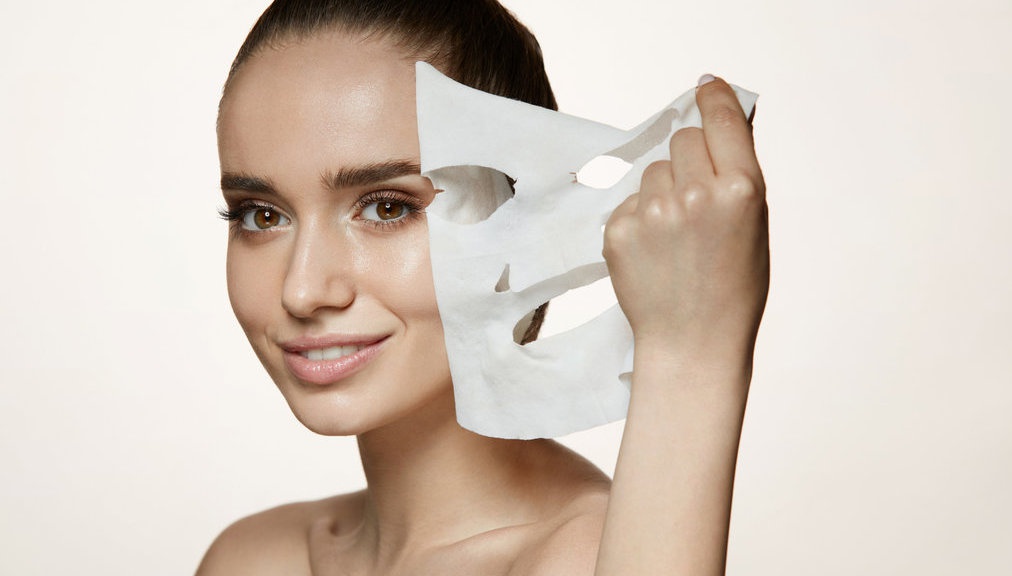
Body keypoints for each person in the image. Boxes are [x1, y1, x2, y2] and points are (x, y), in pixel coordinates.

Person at [198, 0, 769, 573]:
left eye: (387, 207)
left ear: (524, 216)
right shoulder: (252, 559)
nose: (301, 291)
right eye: (261, 215)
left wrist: (694, 353)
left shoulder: (586, 560)